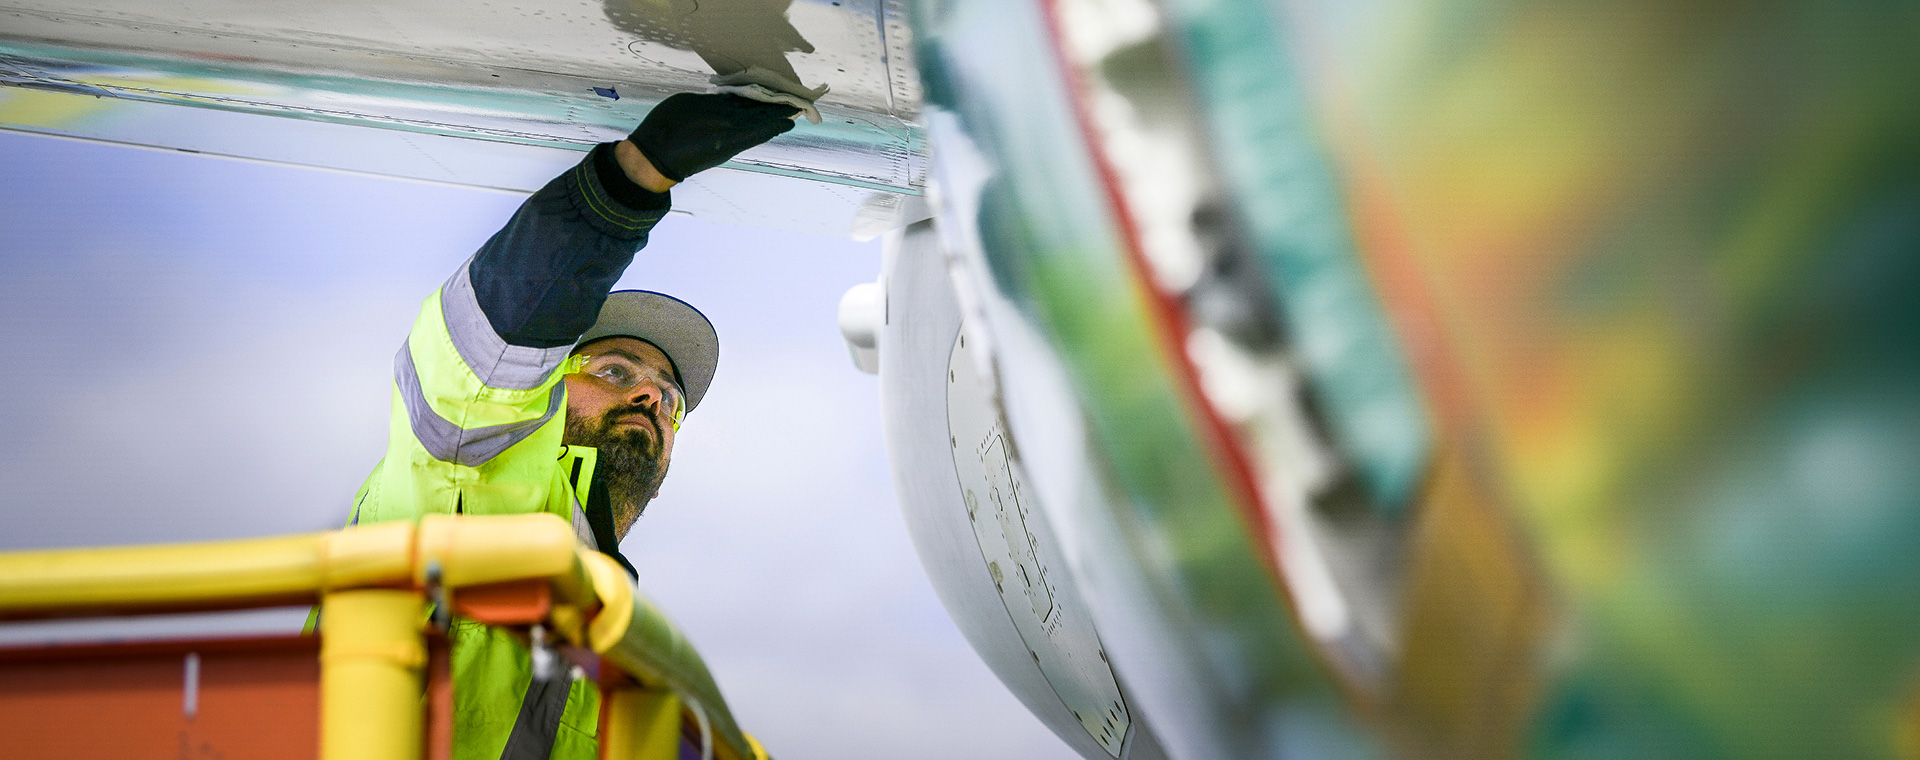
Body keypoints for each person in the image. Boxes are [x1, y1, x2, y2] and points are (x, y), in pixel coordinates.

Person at [344, 92, 801, 759]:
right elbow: (485, 357)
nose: (650, 396)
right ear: (544, 390)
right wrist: (628, 184)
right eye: (615, 371)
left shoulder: (630, 657)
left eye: (669, 398)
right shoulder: (473, 483)